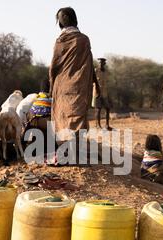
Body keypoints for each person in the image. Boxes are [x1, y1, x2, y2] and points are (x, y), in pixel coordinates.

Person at [49, 7, 99, 147]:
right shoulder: (82, 40)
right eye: (61, 16)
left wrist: (52, 85)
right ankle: (73, 148)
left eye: (64, 16)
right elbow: (89, 64)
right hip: (78, 86)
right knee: (74, 115)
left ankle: (67, 148)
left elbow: (53, 66)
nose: (62, 19)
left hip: (65, 85)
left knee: (63, 114)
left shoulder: (62, 41)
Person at [93, 58, 113, 130]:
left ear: (104, 64)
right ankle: (98, 125)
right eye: (99, 63)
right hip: (97, 93)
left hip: (104, 93)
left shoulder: (106, 72)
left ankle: (107, 125)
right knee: (98, 109)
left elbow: (107, 83)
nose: (100, 64)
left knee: (108, 108)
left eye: (102, 63)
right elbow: (93, 81)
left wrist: (109, 95)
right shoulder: (96, 71)